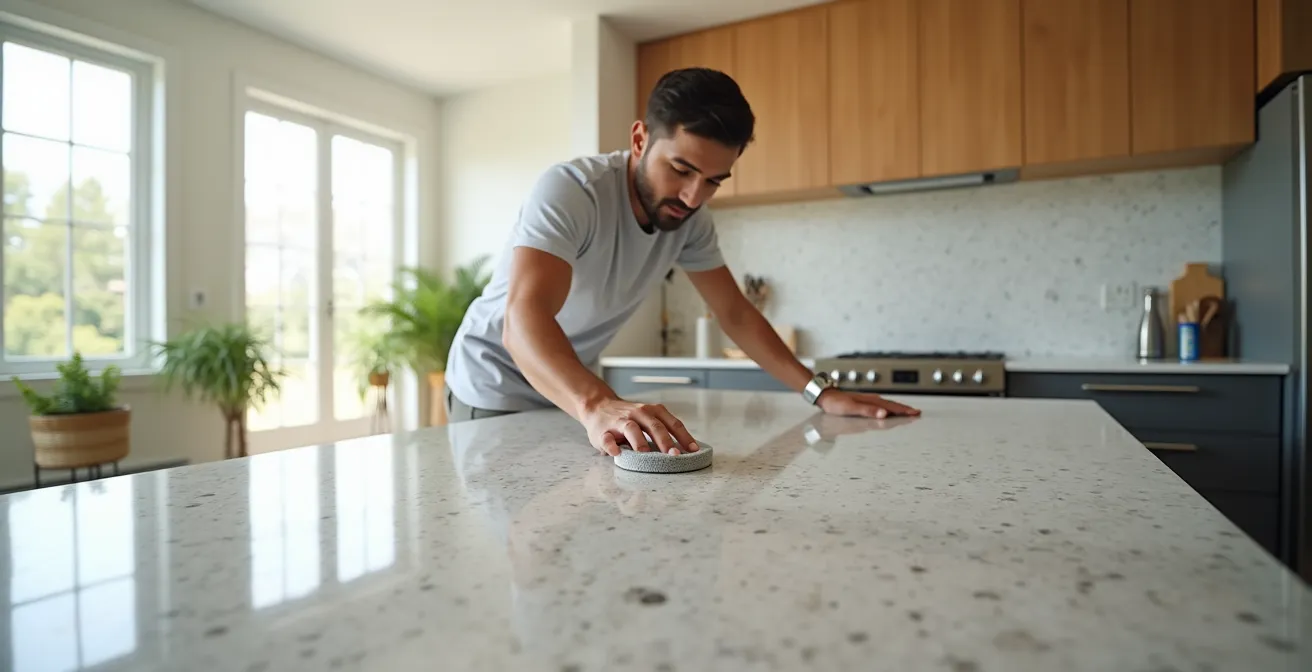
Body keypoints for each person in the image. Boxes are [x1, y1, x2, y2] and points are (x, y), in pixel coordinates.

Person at [443, 67, 920, 456]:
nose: (694, 196)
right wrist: (596, 405)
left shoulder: (690, 220)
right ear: (639, 140)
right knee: (525, 548)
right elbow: (524, 318)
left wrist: (821, 392)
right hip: (494, 386)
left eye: (714, 180)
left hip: (571, 394)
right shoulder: (573, 191)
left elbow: (735, 314)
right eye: (681, 169)